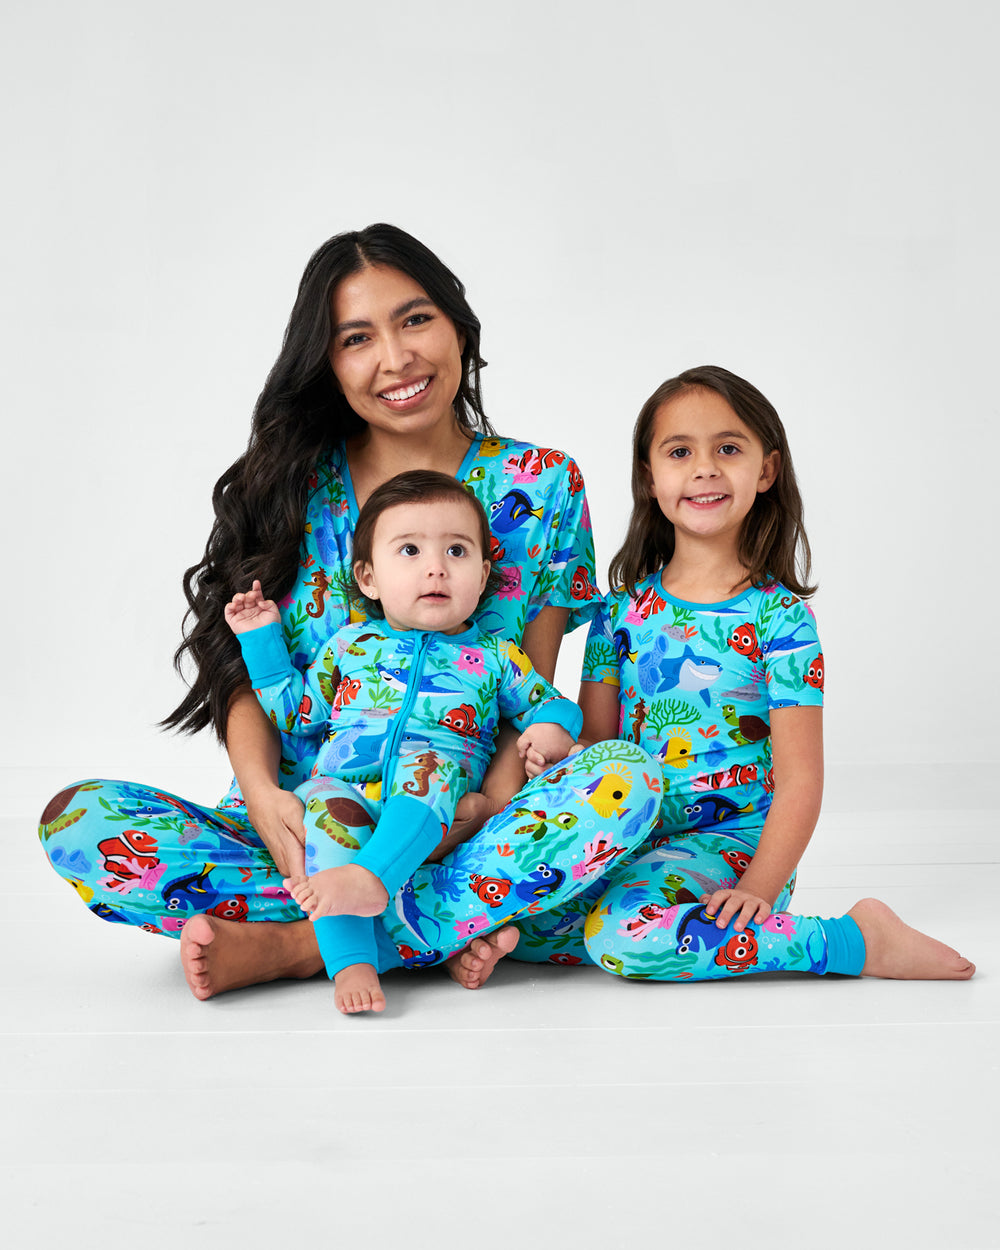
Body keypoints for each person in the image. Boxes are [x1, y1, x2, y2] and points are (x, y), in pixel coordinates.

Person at [38, 223, 661, 1003]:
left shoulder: (542, 483)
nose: (395, 359)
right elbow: (248, 674)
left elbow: (528, 684)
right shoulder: (291, 483)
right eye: (356, 337)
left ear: (458, 327)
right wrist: (263, 797)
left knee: (625, 781)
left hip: (456, 818)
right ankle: (439, 923)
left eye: (415, 319)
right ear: (327, 363)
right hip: (305, 825)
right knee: (81, 824)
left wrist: (481, 814)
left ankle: (300, 946)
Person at [455, 365, 975, 987]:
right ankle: (540, 934)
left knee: (624, 938)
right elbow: (599, 746)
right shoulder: (618, 615)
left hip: (731, 842)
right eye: (680, 452)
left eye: (728, 449)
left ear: (766, 470)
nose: (705, 468)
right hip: (631, 833)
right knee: (508, 908)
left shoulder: (780, 619)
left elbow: (801, 777)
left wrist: (759, 885)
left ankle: (851, 939)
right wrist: (556, 758)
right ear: (650, 478)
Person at [225, 471, 582, 1012]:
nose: (436, 567)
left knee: (430, 773)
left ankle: (371, 882)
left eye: (457, 551)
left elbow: (548, 701)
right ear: (367, 577)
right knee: (322, 816)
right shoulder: (351, 644)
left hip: (434, 798)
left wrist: (553, 727)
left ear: (484, 575)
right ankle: (355, 966)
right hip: (344, 788)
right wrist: (261, 640)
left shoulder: (495, 656)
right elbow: (296, 714)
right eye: (410, 550)